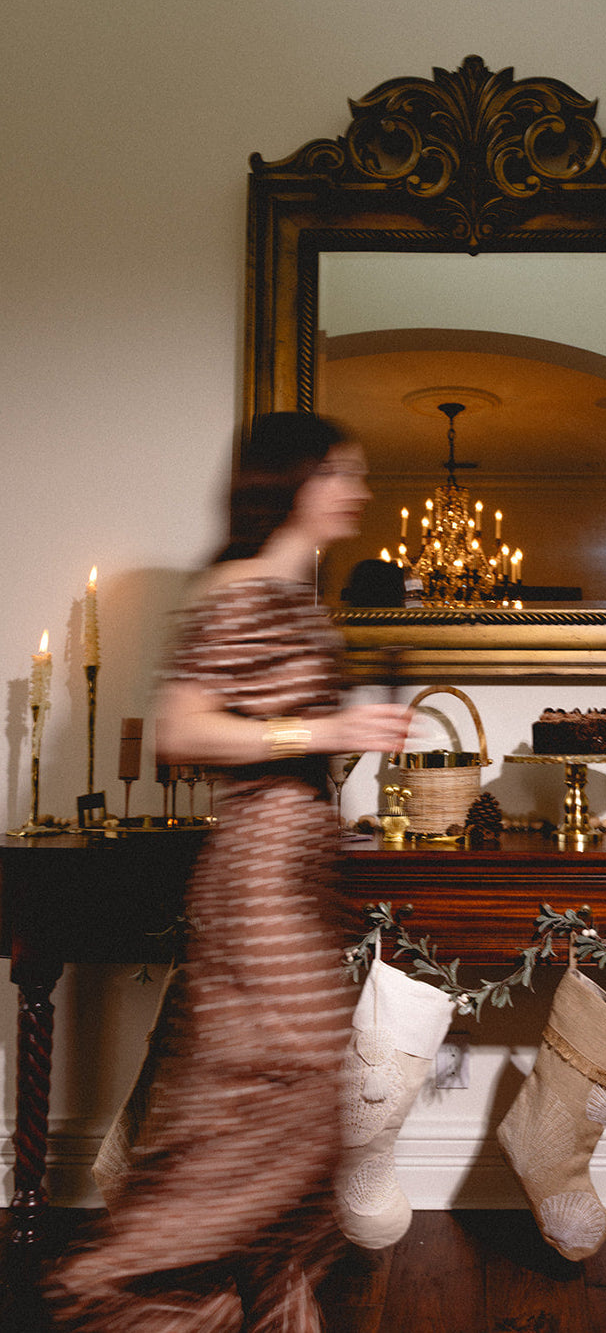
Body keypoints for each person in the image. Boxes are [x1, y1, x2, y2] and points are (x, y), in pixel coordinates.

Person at [48, 412, 413, 1333]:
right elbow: (181, 730)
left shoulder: (296, 599)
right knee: (279, 1094)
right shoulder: (242, 590)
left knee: (298, 1105)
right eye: (342, 471)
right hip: (254, 881)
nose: (358, 491)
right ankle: (134, 1285)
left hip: (295, 879)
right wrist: (326, 730)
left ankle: (259, 1309)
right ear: (290, 481)